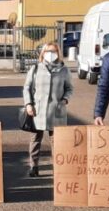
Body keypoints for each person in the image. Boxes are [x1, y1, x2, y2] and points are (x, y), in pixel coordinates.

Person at [22, 42, 73, 177]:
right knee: (35, 139)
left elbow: (69, 88)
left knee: (57, 141)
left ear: (58, 53)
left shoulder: (64, 70)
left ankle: (58, 167)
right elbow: (27, 87)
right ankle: (34, 166)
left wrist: (64, 100)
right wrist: (28, 104)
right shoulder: (35, 68)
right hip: (37, 110)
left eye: (53, 51)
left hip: (56, 110)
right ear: (43, 53)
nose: (50, 54)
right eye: (47, 51)